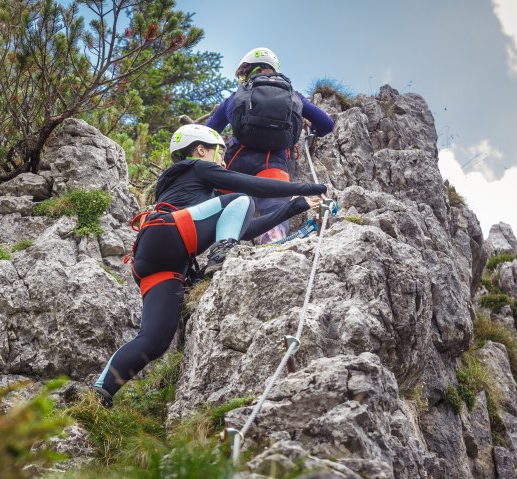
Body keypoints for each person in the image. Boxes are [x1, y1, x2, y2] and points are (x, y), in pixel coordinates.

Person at [91, 124, 328, 407]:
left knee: (155, 338)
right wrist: (310, 186)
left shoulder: (186, 185)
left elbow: (245, 228)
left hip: (156, 258)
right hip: (173, 233)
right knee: (242, 198)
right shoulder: (197, 167)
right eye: (220, 152)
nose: (223, 161)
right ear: (201, 149)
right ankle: (222, 253)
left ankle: (99, 394)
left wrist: (295, 206)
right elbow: (252, 188)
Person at [205, 47, 335, 244]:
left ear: (248, 71)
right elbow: (327, 124)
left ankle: (218, 249)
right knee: (275, 215)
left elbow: (208, 132)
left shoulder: (237, 95)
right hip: (273, 164)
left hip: (236, 163)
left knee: (221, 210)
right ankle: (272, 241)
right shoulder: (293, 95)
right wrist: (312, 129)